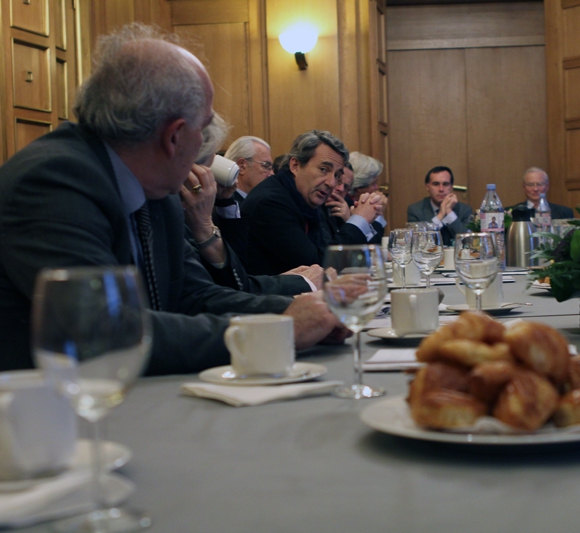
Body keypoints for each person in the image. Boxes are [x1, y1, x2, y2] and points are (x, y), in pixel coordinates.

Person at [0, 23, 343, 375]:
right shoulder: (53, 183)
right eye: (204, 127)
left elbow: (192, 296)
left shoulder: (155, 186)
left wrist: (294, 313)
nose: (206, 145)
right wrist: (276, 332)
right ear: (175, 137)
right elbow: (105, 331)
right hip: (52, 414)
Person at [182, 112, 323, 294]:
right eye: (266, 166)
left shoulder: (221, 203)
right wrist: (298, 283)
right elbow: (213, 293)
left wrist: (225, 202)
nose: (271, 174)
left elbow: (237, 275)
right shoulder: (268, 202)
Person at [242, 130, 385, 275]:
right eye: (323, 169)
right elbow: (318, 266)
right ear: (295, 165)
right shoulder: (270, 203)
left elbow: (325, 251)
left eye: (336, 175)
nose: (331, 183)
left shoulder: (307, 198)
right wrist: (358, 220)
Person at [407, 166, 472, 246]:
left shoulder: (465, 210)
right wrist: (441, 214)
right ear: (427, 187)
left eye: (445, 184)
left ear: (451, 187)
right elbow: (418, 242)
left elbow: (468, 241)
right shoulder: (415, 210)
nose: (441, 189)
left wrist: (449, 212)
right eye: (436, 184)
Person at [510, 167, 574, 219]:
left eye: (540, 184)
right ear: (524, 187)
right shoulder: (511, 212)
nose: (535, 189)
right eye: (530, 185)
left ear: (547, 186)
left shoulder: (564, 212)